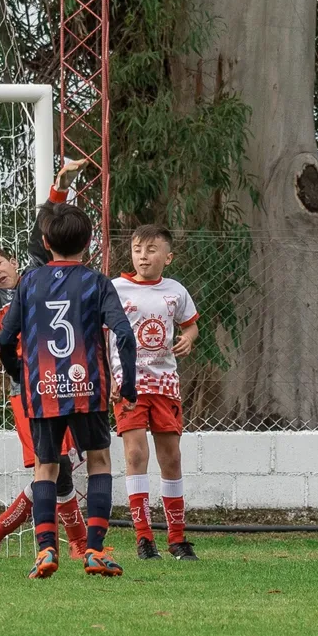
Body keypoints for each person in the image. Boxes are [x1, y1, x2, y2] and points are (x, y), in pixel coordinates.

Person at [0, 161, 90, 559]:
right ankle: (80, 545)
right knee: (54, 468)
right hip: (27, 391)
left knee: (59, 468)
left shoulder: (38, 276)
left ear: (13, 263)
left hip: (63, 382)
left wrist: (59, 190)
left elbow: (41, 237)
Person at [0, 203, 138, 579]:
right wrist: (129, 384)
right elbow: (124, 334)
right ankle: (94, 550)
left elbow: (5, 339)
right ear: (89, 243)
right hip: (87, 386)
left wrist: (20, 374)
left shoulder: (28, 282)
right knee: (99, 462)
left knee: (45, 467)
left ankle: (45, 552)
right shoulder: (97, 283)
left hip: (42, 390)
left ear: (45, 242)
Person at [108, 225, 200, 561]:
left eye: (151, 249)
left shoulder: (175, 291)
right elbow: (101, 336)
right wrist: (111, 378)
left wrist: (189, 336)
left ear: (168, 256)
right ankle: (144, 539)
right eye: (137, 249)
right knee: (135, 455)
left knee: (171, 457)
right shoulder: (115, 289)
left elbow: (191, 324)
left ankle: (177, 538)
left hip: (165, 384)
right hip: (129, 383)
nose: (143, 256)